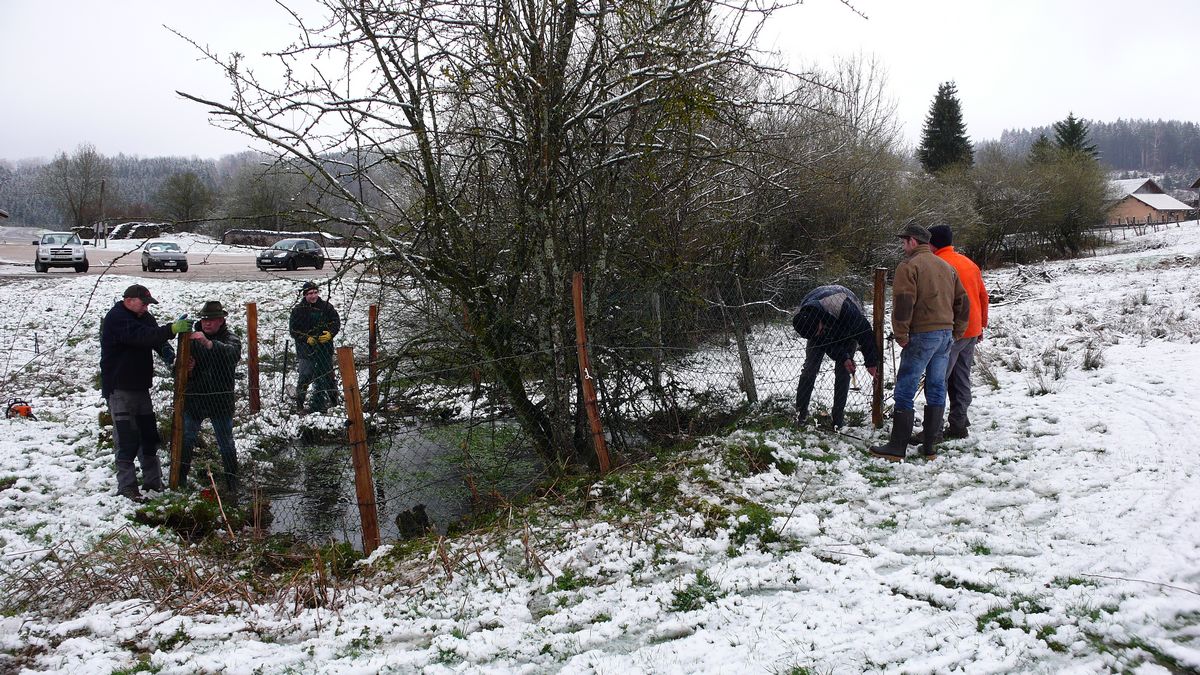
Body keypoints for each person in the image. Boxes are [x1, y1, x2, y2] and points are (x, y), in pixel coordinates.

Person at [870, 224, 969, 461]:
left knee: (905, 387)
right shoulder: (947, 267)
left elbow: (904, 302)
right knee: (936, 388)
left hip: (922, 334)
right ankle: (930, 447)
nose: (902, 246)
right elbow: (963, 302)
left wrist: (901, 333)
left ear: (913, 241)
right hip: (945, 335)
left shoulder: (909, 266)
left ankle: (897, 446)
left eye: (904, 241)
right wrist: (957, 331)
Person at [100, 284, 192, 501]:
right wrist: (171, 329)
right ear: (129, 300)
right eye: (143, 304)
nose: (146, 309)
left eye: (148, 305)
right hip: (119, 387)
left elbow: (156, 340)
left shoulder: (145, 318)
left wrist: (172, 359)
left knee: (148, 437)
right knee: (126, 438)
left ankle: (153, 483)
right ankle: (127, 486)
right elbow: (140, 337)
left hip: (141, 387)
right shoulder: (117, 318)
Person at [910, 225, 989, 444]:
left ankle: (932, 432)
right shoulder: (968, 263)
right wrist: (981, 325)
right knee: (962, 379)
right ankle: (959, 423)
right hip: (971, 330)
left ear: (932, 243)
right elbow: (983, 296)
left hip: (951, 331)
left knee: (937, 380)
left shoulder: (939, 265)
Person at [791, 285, 879, 429]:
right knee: (809, 369)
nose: (819, 334)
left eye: (819, 331)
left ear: (819, 321)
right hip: (824, 321)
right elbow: (824, 341)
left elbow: (864, 333)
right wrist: (843, 357)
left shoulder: (843, 308)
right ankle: (800, 413)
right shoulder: (806, 319)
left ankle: (838, 419)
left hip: (848, 327)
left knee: (844, 372)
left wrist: (871, 362)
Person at [179, 301, 243, 497]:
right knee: (186, 439)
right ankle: (180, 479)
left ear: (221, 320)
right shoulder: (190, 339)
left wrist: (209, 344)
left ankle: (231, 483)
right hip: (195, 398)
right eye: (204, 319)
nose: (207, 323)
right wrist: (185, 370)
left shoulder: (231, 339)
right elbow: (177, 369)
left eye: (212, 320)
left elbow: (232, 355)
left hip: (220, 400)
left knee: (226, 442)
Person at [289, 281, 340, 414]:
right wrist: (306, 338)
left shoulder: (326, 307)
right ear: (305, 295)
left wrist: (330, 334)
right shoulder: (298, 311)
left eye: (315, 292)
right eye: (310, 293)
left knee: (328, 376)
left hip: (325, 349)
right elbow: (293, 330)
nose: (313, 296)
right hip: (306, 351)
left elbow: (336, 322)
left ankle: (335, 403)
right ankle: (300, 405)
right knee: (305, 376)